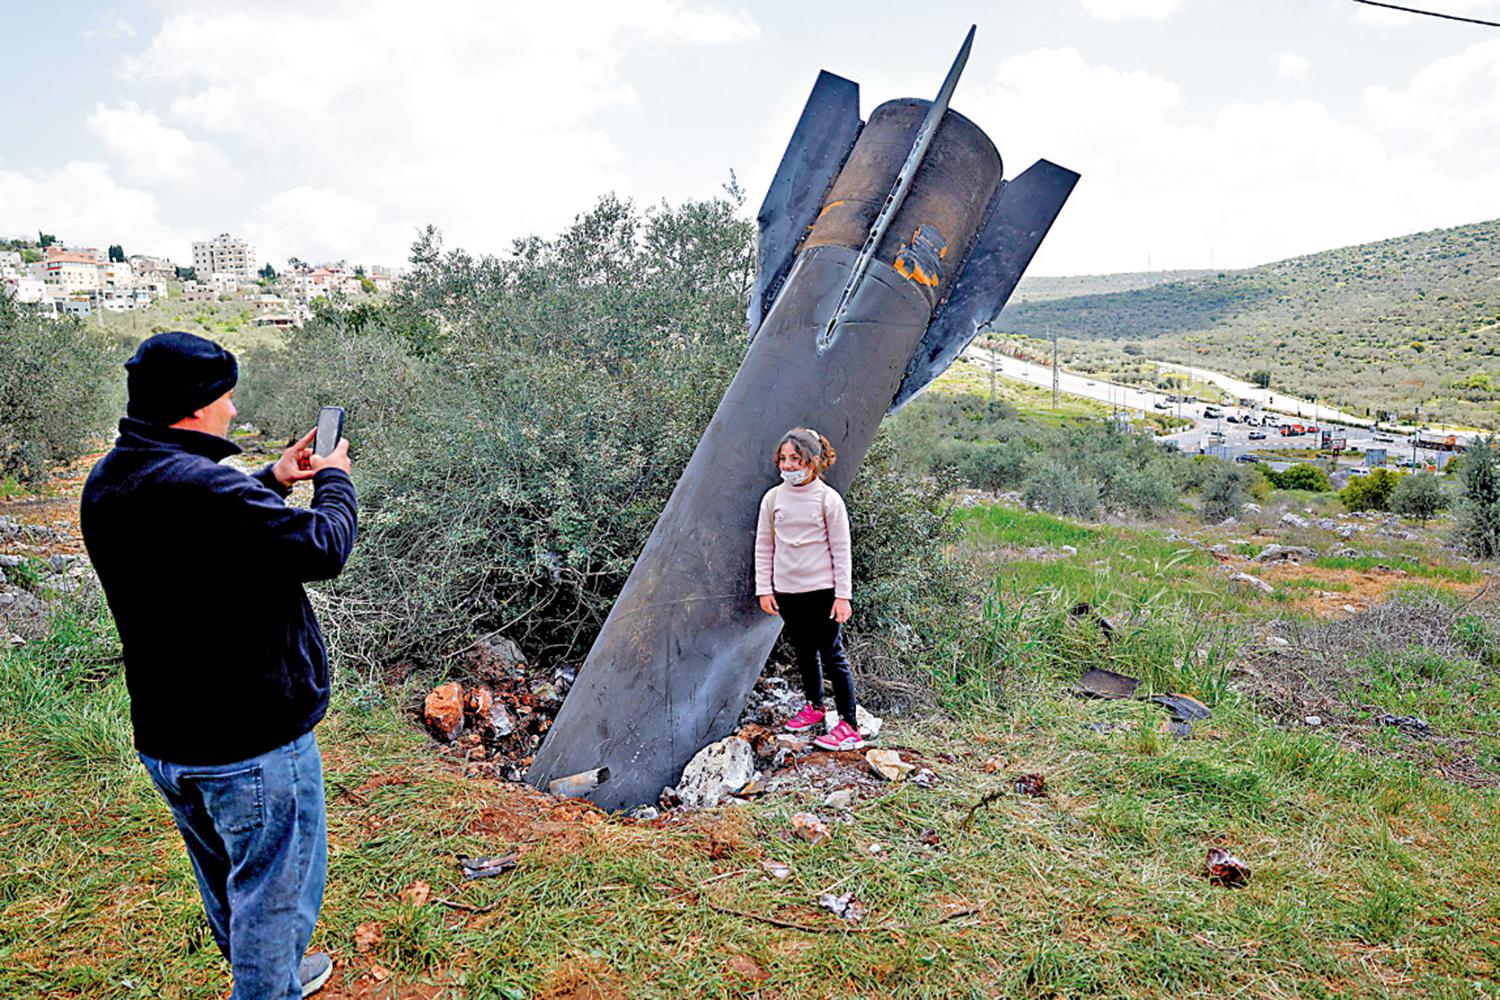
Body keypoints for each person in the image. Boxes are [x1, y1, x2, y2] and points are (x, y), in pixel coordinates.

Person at [80, 332, 358, 999]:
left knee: (235, 889)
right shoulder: (205, 489)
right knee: (272, 896)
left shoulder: (111, 478)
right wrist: (335, 480)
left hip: (172, 741)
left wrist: (273, 480)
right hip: (250, 745)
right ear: (196, 406)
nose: (233, 412)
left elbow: (198, 535)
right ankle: (270, 984)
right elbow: (324, 548)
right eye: (225, 398)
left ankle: (273, 973)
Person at [754, 427, 864, 752]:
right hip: (787, 593)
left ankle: (849, 725)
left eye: (796, 459)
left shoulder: (828, 500)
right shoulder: (772, 498)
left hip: (824, 593)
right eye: (783, 459)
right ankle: (815, 708)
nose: (788, 465)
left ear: (813, 462)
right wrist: (765, 589)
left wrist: (844, 596)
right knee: (804, 652)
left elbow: (842, 550)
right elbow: (764, 545)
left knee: (832, 655)